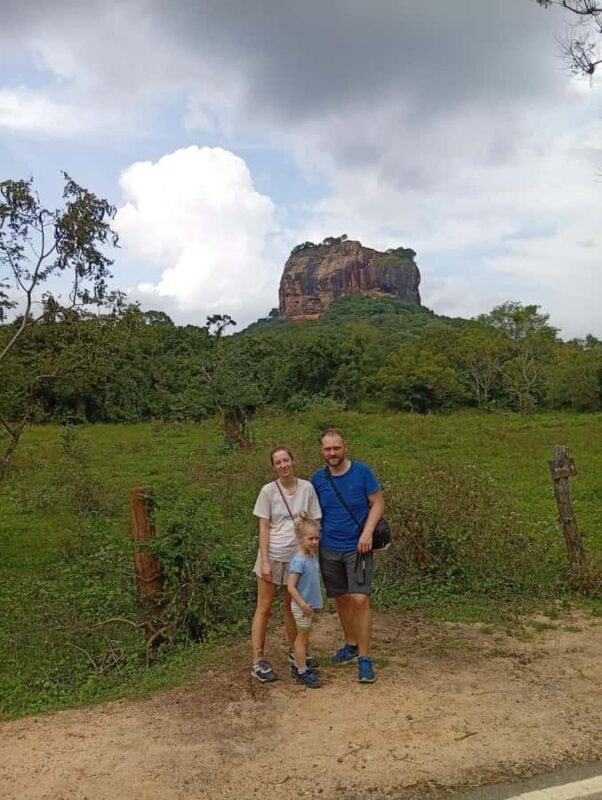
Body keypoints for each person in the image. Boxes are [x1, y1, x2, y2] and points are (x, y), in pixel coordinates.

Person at [311, 427, 384, 684]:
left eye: (336, 448)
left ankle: (365, 658)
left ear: (345, 447)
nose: (332, 453)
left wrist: (368, 532)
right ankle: (351, 644)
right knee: (341, 597)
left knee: (360, 599)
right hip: (329, 547)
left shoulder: (362, 472)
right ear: (322, 451)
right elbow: (312, 511)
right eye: (327, 449)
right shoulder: (318, 478)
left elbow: (378, 502)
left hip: (358, 546)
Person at [251, 446, 322, 683]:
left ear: (293, 461)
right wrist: (264, 561)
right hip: (272, 554)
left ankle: (296, 650)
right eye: (278, 462)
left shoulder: (307, 488)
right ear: (273, 467)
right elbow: (263, 527)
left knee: (292, 605)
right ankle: (258, 660)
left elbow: (314, 521)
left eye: (286, 460)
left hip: (296, 557)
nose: (283, 465)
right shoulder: (268, 491)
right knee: (264, 606)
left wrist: (310, 554)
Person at [287, 513, 323, 689]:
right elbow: (291, 586)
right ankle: (301, 671)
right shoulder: (299, 561)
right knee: (302, 639)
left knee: (304, 638)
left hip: (308, 606)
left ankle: (298, 665)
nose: (314, 542)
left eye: (317, 538)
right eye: (310, 539)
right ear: (300, 539)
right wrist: (302, 604)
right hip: (302, 607)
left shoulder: (312, 556)